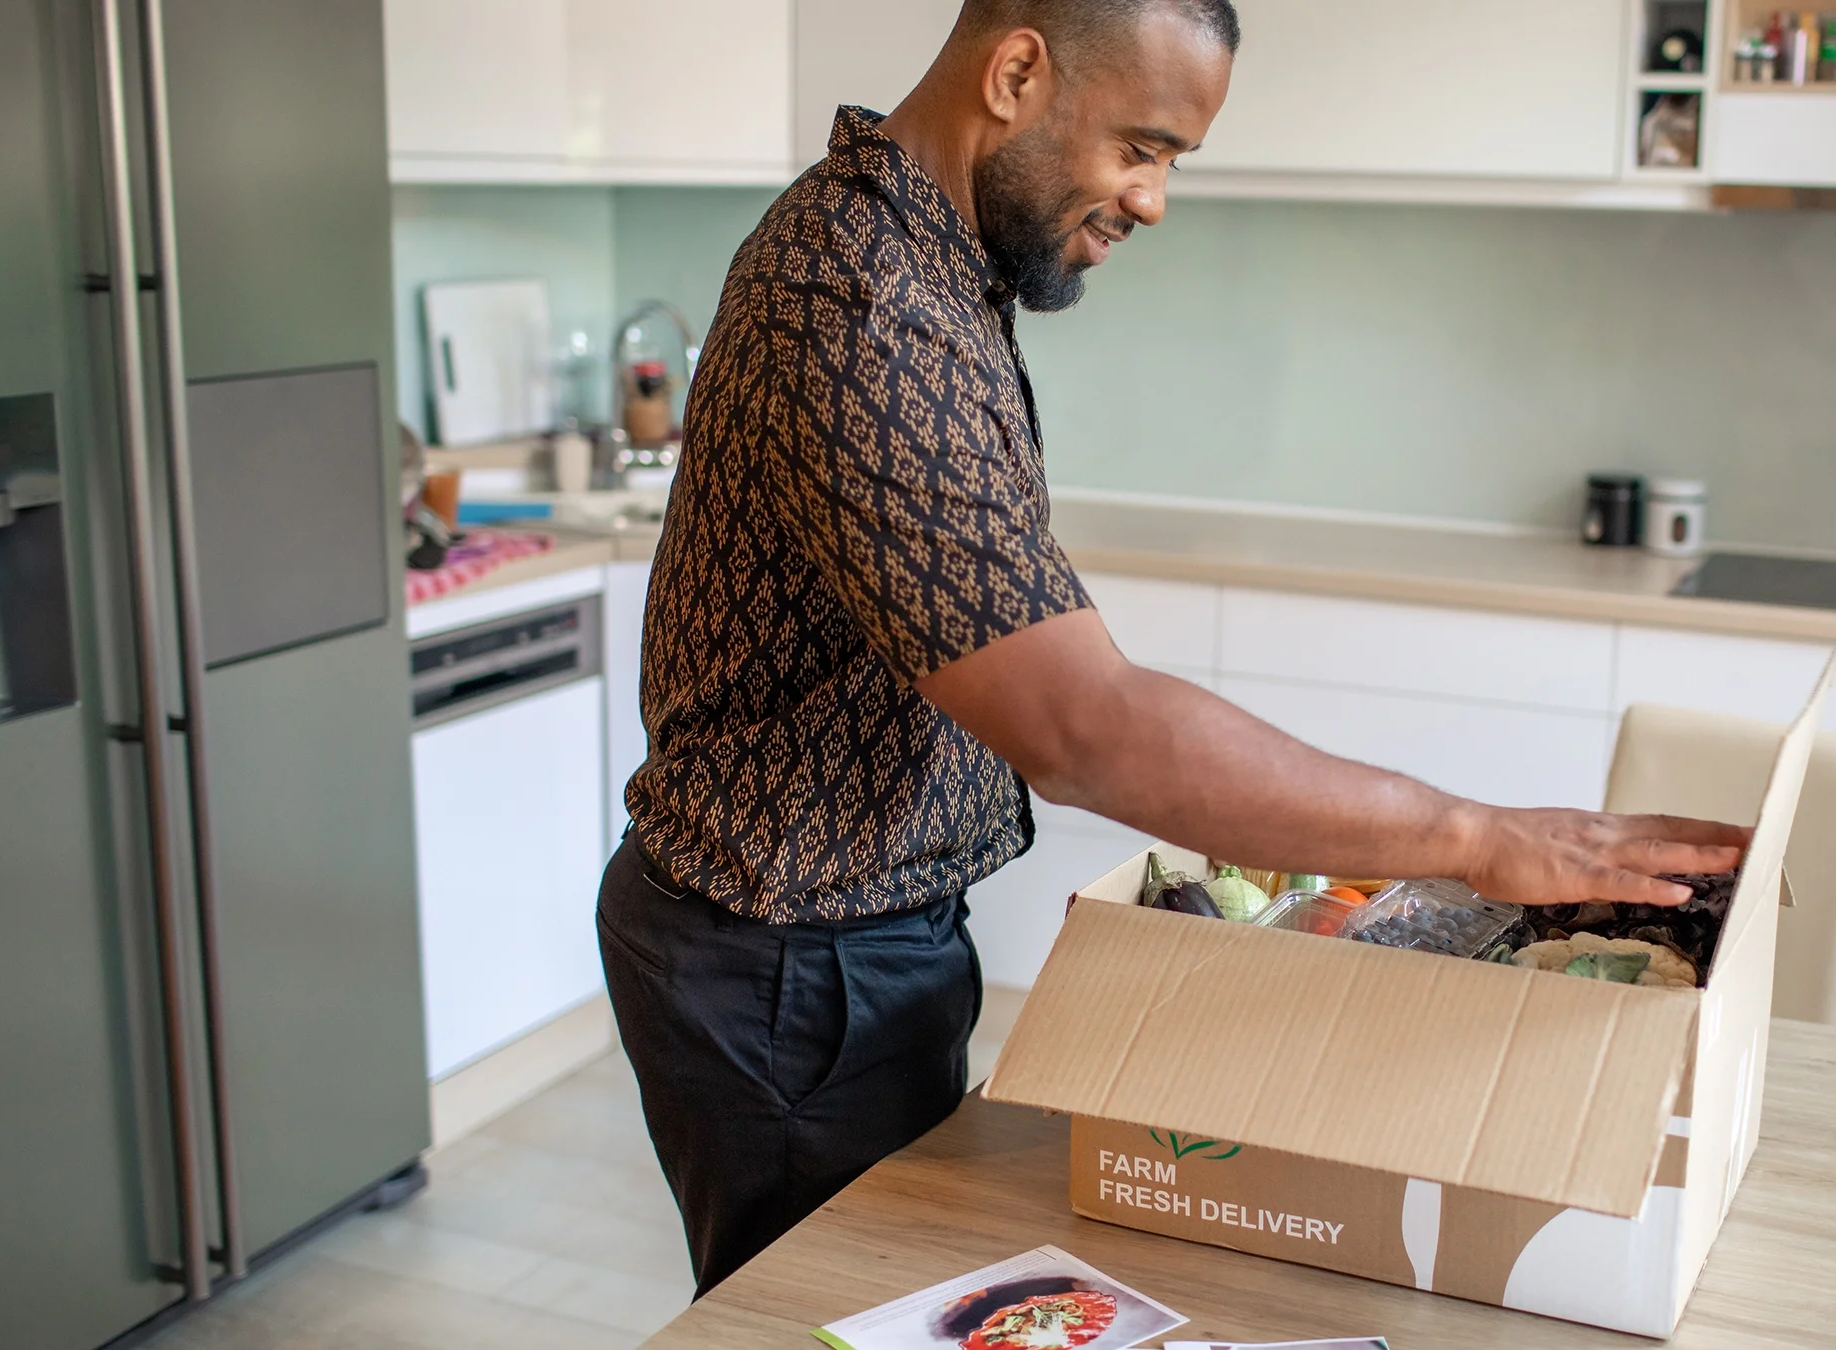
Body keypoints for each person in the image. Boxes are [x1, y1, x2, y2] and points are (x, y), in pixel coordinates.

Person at [597, 0, 1751, 1300]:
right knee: (834, 1315)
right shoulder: (864, 305)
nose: (1154, 200)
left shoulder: (920, 260)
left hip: (838, 934)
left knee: (890, 1302)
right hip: (786, 954)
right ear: (1019, 71)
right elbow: (1088, 728)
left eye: (1175, 162)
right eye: (1143, 146)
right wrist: (1478, 838)